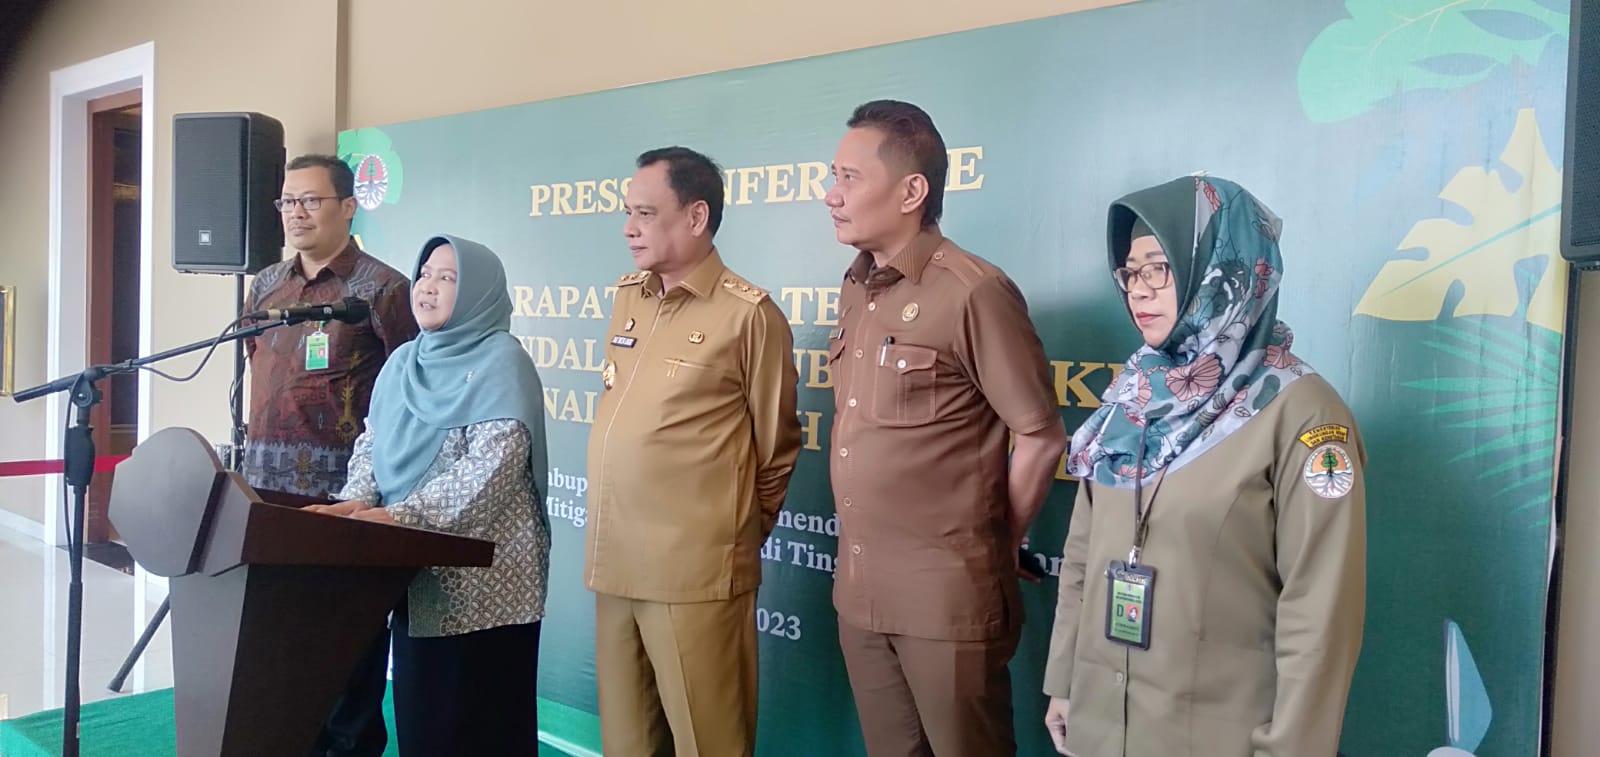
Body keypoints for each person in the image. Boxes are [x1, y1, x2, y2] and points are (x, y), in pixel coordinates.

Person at [1042, 175, 1367, 757]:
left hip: (1220, 737)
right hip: (1101, 725)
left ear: (1224, 270)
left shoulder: (1303, 413)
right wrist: (1065, 682)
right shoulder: (1132, 398)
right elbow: (1083, 555)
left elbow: (1320, 611)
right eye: (1130, 273)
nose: (1138, 291)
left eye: (1159, 269)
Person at [823, 99, 1067, 757]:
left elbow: (1041, 435)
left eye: (849, 178)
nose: (831, 195)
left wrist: (996, 541)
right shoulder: (856, 287)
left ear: (911, 192)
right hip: (860, 594)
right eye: (833, 177)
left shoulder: (972, 290)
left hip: (945, 601)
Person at [585, 146, 802, 757]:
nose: (629, 228)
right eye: (628, 213)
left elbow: (776, 451)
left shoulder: (748, 315)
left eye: (645, 213)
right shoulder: (629, 297)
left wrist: (724, 541)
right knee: (627, 744)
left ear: (697, 216)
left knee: (709, 745)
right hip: (615, 563)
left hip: (694, 575)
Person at [307, 234, 550, 757]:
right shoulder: (403, 362)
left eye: (448, 277)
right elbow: (373, 442)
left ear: (478, 293)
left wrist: (399, 516)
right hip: (412, 574)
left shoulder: (503, 362)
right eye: (424, 274)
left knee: (482, 731)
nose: (428, 287)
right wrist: (356, 501)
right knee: (425, 727)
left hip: (485, 587)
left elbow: (490, 470)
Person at [243, 153, 419, 757]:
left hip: (344, 502)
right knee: (279, 651)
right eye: (288, 201)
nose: (296, 212)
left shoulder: (385, 289)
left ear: (348, 206)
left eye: (310, 200)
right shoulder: (266, 284)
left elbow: (407, 391)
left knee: (346, 655)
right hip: (266, 498)